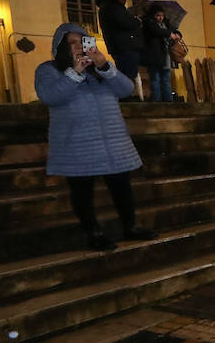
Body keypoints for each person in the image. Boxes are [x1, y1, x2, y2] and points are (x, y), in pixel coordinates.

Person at [35, 24, 157, 250]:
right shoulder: (48, 70)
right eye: (72, 42)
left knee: (122, 186)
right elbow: (50, 96)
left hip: (112, 140)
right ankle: (93, 233)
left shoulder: (99, 70)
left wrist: (104, 65)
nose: (78, 46)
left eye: (82, 41)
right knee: (82, 190)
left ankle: (130, 227)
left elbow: (126, 89)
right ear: (61, 46)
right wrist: (74, 72)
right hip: (77, 142)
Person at [95, 0, 144, 90]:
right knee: (129, 73)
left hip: (116, 45)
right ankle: (128, 95)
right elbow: (125, 22)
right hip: (125, 45)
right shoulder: (115, 7)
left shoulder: (105, 7)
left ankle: (126, 95)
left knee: (123, 72)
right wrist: (137, 21)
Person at [141, 7, 176, 102]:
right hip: (154, 56)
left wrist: (177, 34)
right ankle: (157, 101)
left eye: (162, 15)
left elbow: (174, 30)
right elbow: (157, 31)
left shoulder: (166, 24)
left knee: (166, 79)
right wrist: (169, 34)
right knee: (155, 79)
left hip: (165, 55)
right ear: (153, 15)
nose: (160, 18)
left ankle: (169, 101)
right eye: (158, 15)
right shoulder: (149, 23)